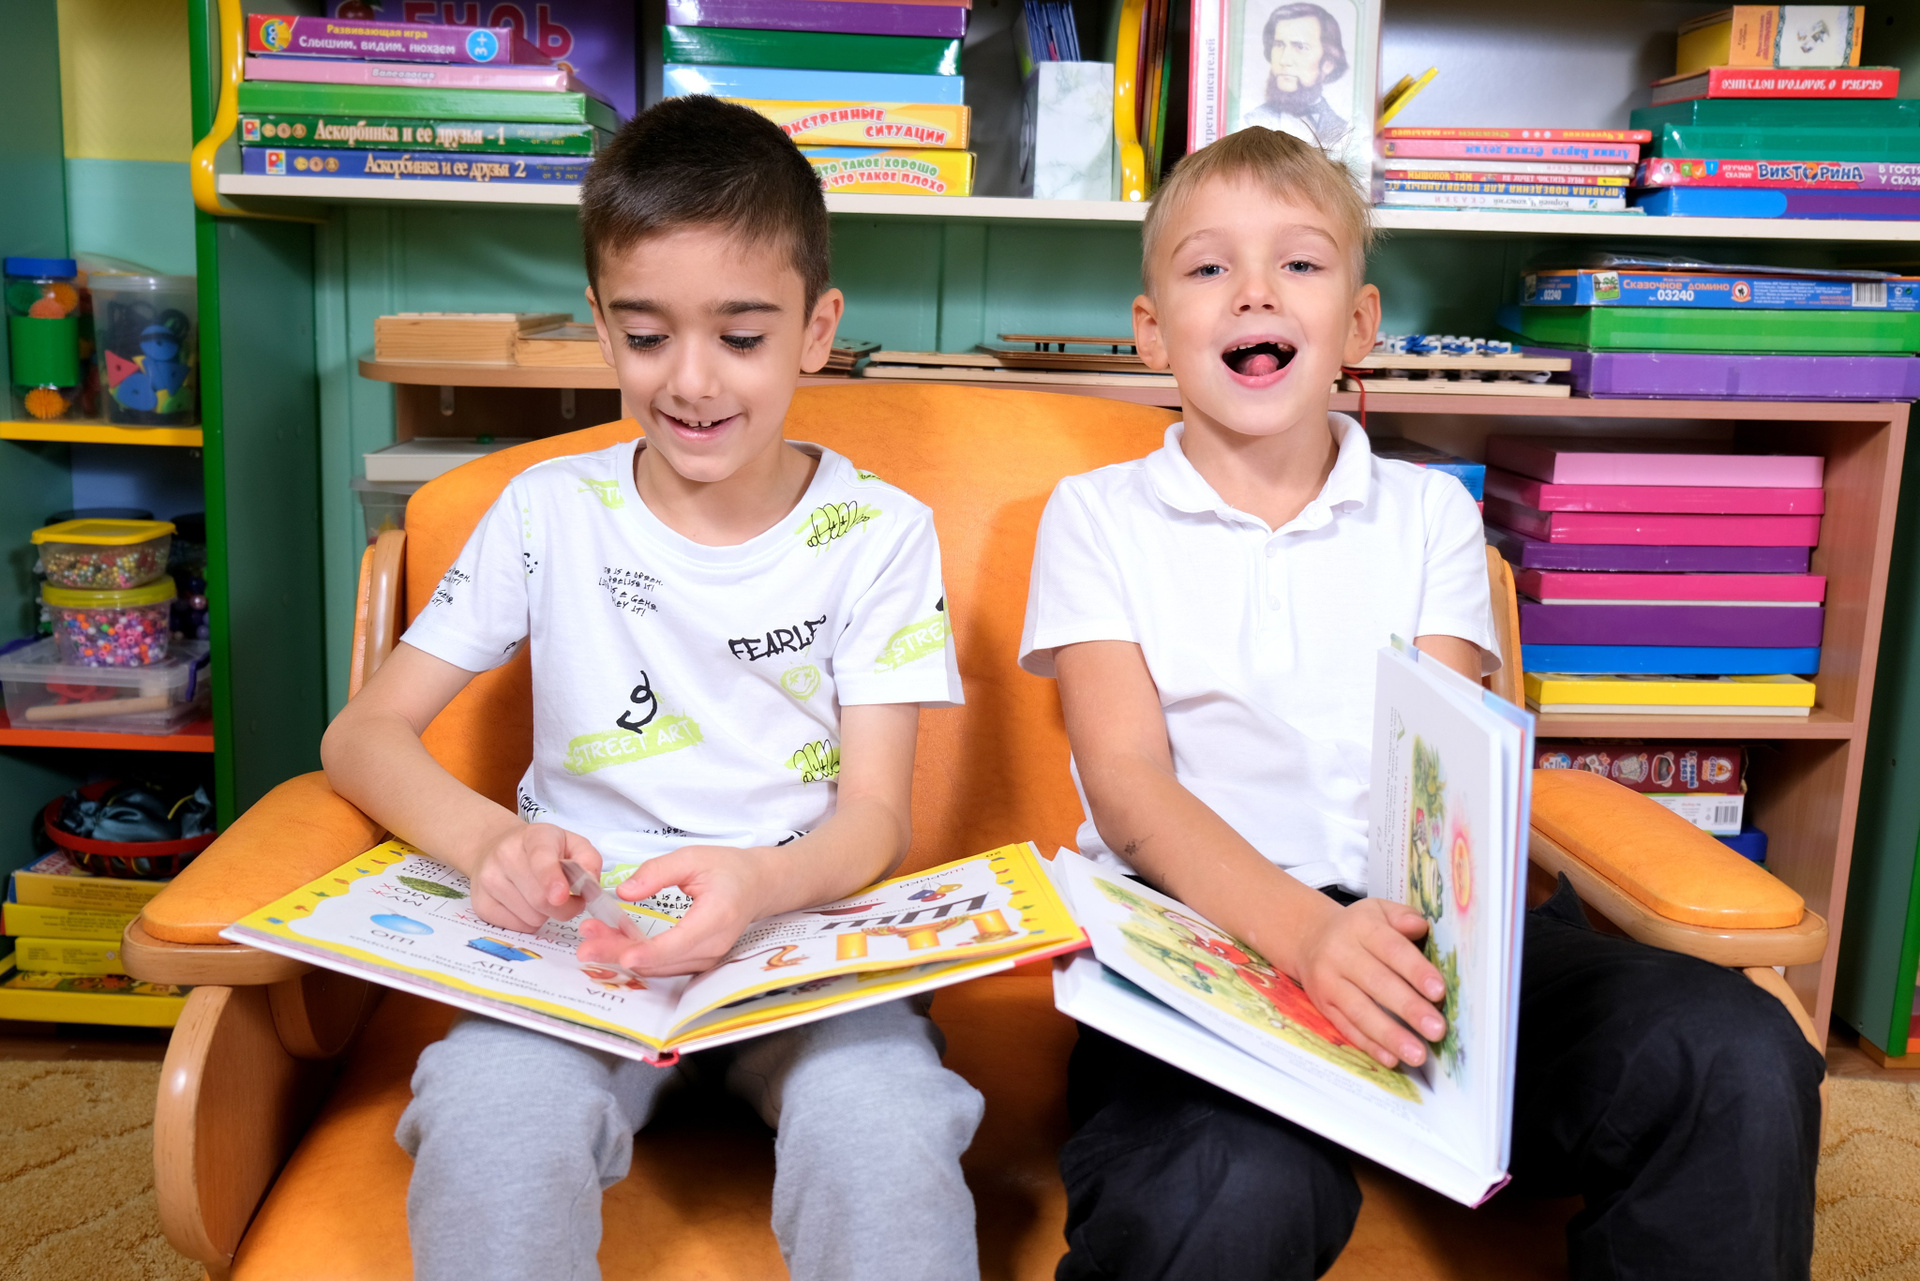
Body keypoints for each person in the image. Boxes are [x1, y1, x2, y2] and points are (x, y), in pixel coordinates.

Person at [1018, 126, 1824, 1281]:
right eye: (1209, 267)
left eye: (1299, 262)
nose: (1255, 291)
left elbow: (1445, 787)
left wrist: (1398, 956)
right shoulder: (1096, 515)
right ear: (1152, 330)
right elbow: (1129, 788)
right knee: (1231, 1186)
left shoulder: (1429, 514)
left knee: (1734, 1054)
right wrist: (1306, 937)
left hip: (1416, 939)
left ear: (1359, 325)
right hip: (1204, 937)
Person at [321, 95, 983, 1281]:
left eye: (742, 336)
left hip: (797, 934)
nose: (691, 380)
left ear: (817, 329)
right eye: (646, 335)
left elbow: (877, 819)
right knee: (489, 1118)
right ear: (601, 327)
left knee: (886, 1129)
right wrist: (489, 845)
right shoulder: (548, 511)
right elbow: (363, 737)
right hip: (580, 943)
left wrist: (762, 882)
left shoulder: (880, 533)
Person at [1242, 2, 1351, 152]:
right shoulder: (1250, 120)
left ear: (1328, 63)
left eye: (1300, 47)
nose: (1284, 60)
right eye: (1279, 45)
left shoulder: (1344, 130)